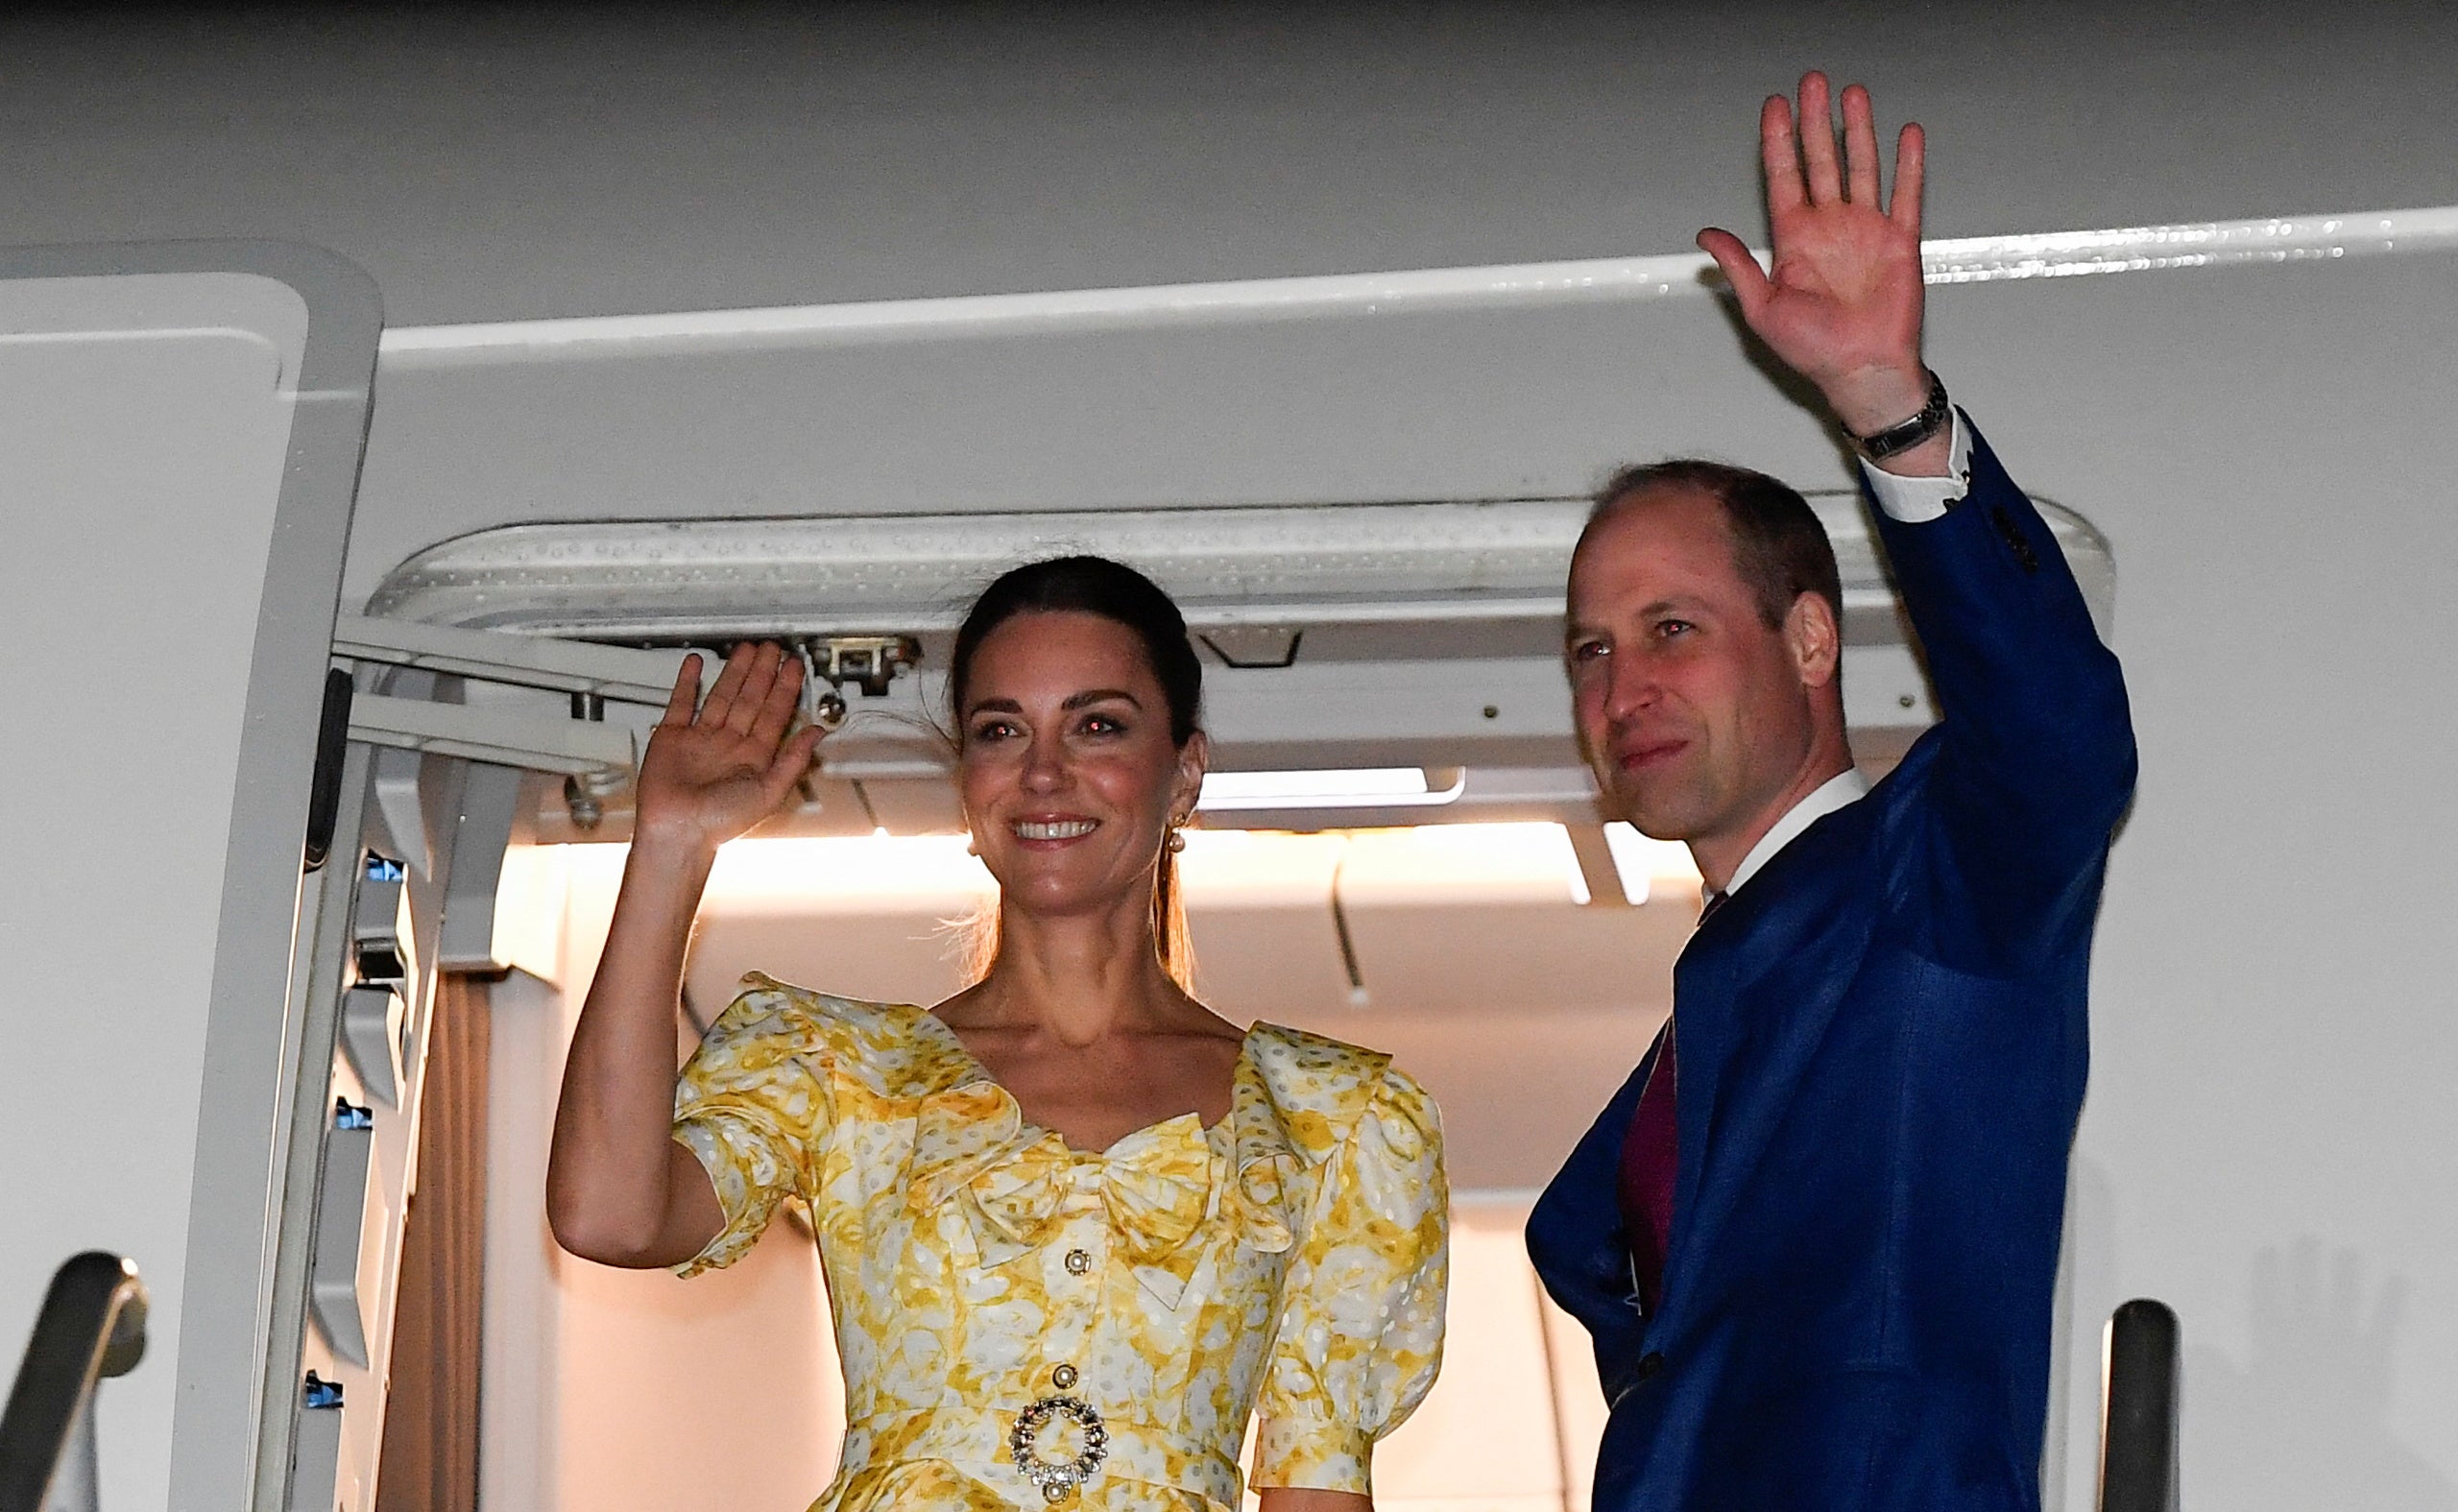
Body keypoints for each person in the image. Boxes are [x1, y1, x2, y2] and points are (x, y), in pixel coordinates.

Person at [1525, 73, 2136, 1510]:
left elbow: (2057, 730)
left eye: (1674, 629)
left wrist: (1889, 409)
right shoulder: (1713, 996)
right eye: (1592, 650)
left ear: (1811, 639)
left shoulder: (1935, 884)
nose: (1624, 689)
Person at [546, 555, 1446, 1512]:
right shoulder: (838, 1070)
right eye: (1001, 731)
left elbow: (1314, 1489)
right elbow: (610, 1215)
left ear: (1183, 774)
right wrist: (675, 845)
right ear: (968, 784)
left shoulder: (1332, 1118)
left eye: (1097, 726)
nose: (1044, 772)